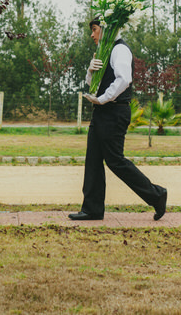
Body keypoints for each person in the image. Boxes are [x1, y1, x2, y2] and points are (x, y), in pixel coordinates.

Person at [69, 19, 167, 221]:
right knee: (93, 159)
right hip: (102, 111)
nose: (92, 35)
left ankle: (157, 195)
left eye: (94, 30)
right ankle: (92, 209)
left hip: (114, 112)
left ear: (105, 29)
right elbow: (93, 83)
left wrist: (102, 99)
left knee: (115, 161)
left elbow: (124, 79)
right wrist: (90, 71)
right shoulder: (104, 51)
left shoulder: (119, 50)